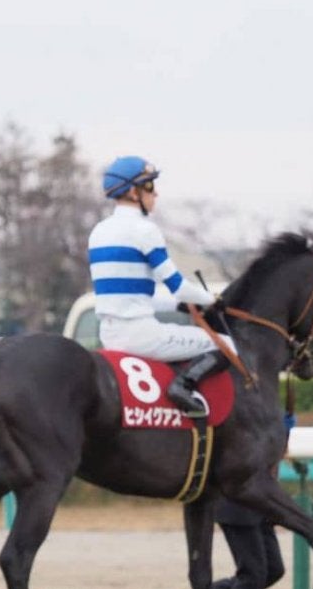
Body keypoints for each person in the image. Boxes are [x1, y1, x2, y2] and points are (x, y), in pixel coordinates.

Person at [88, 155, 234, 417]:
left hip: (109, 335)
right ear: (133, 192)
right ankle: (183, 386)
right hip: (142, 336)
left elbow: (133, 295)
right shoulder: (145, 231)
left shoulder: (98, 232)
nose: (155, 193)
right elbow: (178, 286)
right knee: (226, 345)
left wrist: (177, 306)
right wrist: (211, 299)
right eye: (150, 186)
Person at [182, 413, 295, 589]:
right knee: (253, 573)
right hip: (237, 500)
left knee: (273, 569)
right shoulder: (242, 412)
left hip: (259, 500)